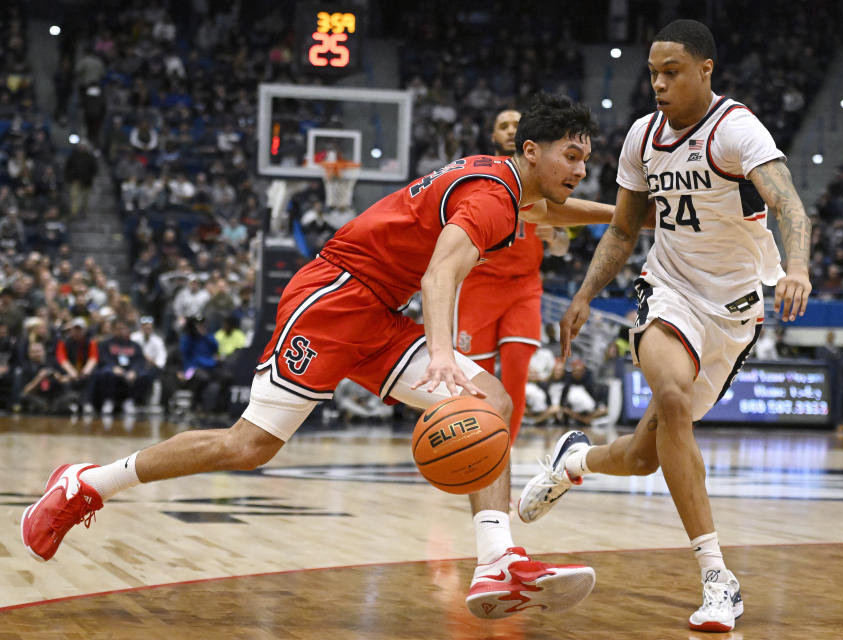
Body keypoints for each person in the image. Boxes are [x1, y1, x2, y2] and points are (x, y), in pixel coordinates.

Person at [21, 93, 611, 620]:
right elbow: (440, 274)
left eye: (586, 161)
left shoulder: (510, 186)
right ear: (532, 152)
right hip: (333, 299)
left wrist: (625, 216)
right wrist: (440, 354)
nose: (580, 171)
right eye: (571, 158)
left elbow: (548, 212)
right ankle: (88, 483)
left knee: (490, 401)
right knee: (250, 445)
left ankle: (496, 561)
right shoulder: (491, 199)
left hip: (377, 311)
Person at [516, 21, 812, 633]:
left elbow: (787, 202)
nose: (657, 83)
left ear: (706, 69)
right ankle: (716, 576)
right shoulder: (641, 138)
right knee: (672, 398)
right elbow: (624, 230)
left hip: (733, 314)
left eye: (671, 70)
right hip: (667, 291)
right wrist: (584, 294)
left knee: (644, 457)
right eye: (653, 72)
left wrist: (798, 267)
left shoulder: (736, 129)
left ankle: (575, 461)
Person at [454, 108, 614, 443]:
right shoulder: (482, 175)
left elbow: (558, 248)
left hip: (524, 288)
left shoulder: (544, 180)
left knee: (516, 375)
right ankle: (471, 449)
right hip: (478, 286)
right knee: (474, 381)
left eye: (516, 124)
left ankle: (503, 454)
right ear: (495, 137)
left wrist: (553, 236)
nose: (510, 128)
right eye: (503, 124)